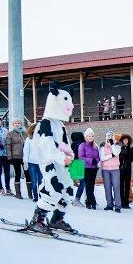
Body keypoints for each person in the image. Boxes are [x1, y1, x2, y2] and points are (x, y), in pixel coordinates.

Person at [28, 87, 77, 233]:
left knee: (68, 190)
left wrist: (71, 157)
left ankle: (56, 219)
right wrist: (62, 157)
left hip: (63, 164)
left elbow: (65, 144)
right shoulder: (45, 124)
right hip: (50, 164)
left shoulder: (60, 125)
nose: (71, 106)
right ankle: (36, 220)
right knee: (52, 190)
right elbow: (47, 146)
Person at [100, 131, 122, 212]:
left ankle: (117, 206)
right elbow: (102, 158)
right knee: (107, 188)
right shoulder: (103, 146)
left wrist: (112, 144)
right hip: (105, 170)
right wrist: (111, 155)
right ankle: (109, 204)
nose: (110, 137)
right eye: (108, 136)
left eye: (111, 136)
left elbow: (116, 153)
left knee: (116, 187)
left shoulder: (118, 145)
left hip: (115, 169)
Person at [78, 127, 100, 210]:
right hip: (86, 168)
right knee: (88, 185)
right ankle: (91, 202)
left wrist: (96, 161)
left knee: (92, 185)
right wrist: (90, 160)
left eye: (92, 136)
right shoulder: (82, 145)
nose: (90, 137)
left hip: (94, 168)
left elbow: (98, 156)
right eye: (89, 136)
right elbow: (81, 157)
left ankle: (89, 201)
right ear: (85, 137)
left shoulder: (95, 146)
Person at [6, 118, 27, 199]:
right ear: (13, 125)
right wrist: (9, 157)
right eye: (16, 123)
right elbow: (8, 146)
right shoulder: (10, 134)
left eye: (19, 123)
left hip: (25, 157)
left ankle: (30, 193)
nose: (17, 124)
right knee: (18, 174)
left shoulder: (25, 133)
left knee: (27, 174)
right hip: (15, 156)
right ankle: (18, 193)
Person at [0, 116, 12, 196]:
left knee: (7, 172)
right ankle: (1, 188)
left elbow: (8, 139)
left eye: (0, 121)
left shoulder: (5, 130)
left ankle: (8, 188)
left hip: (6, 154)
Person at [23, 123, 41, 202]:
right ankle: (35, 196)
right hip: (32, 162)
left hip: (41, 163)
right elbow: (26, 150)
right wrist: (25, 162)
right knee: (34, 181)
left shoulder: (42, 138)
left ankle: (42, 196)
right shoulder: (29, 139)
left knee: (41, 181)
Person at [119, 134, 133, 209]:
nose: (125, 141)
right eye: (124, 140)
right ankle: (121, 202)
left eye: (127, 140)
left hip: (128, 169)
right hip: (121, 169)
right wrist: (122, 156)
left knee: (127, 186)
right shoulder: (120, 149)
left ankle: (126, 202)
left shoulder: (131, 149)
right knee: (121, 186)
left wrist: (127, 156)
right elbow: (119, 158)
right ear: (122, 141)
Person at [70, 131, 86, 207]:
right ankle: (77, 199)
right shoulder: (81, 144)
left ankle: (68, 198)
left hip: (73, 164)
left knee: (74, 182)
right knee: (83, 182)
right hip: (80, 163)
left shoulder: (72, 144)